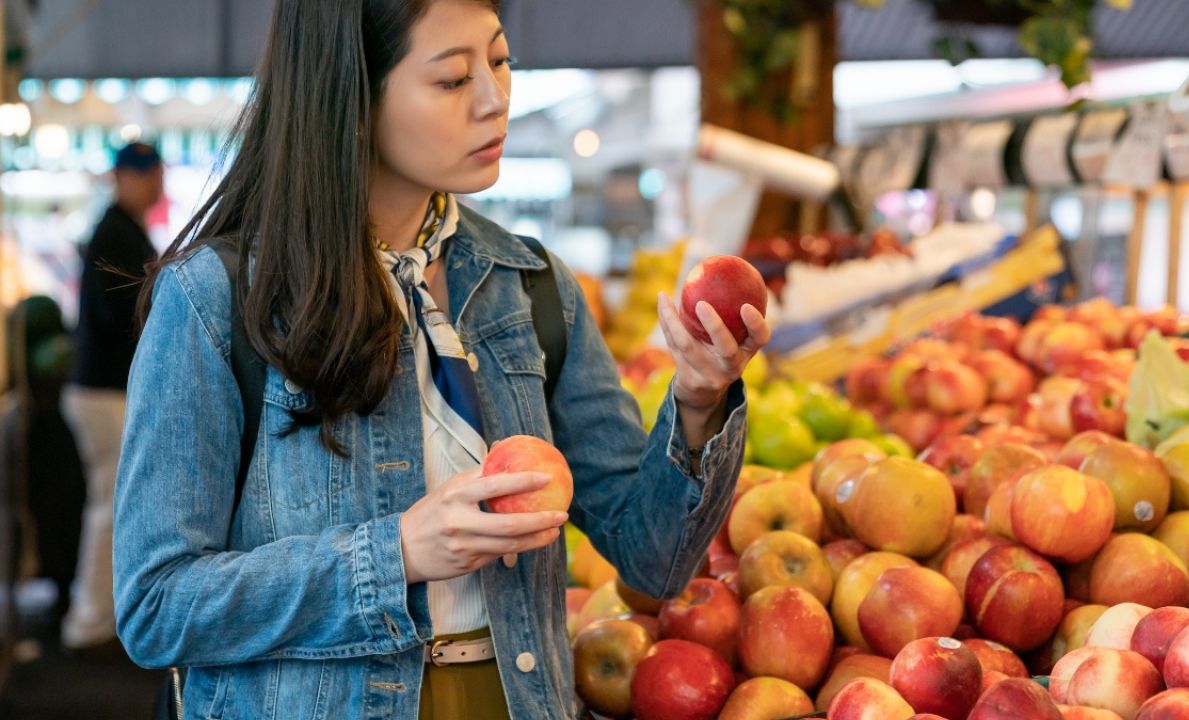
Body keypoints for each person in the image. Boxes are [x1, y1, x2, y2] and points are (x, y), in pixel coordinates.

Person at [112, 2, 767, 719]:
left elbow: (655, 561)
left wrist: (701, 401)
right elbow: (156, 606)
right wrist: (395, 553)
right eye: (454, 79)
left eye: (500, 60)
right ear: (353, 97)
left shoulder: (530, 286)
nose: (495, 99)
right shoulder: (215, 301)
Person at [62, 141, 163, 654]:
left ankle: (100, 615)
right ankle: (90, 620)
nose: (153, 182)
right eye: (142, 173)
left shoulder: (125, 230)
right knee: (110, 509)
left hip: (103, 390)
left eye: (155, 171)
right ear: (119, 177)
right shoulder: (114, 233)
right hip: (103, 392)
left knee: (111, 507)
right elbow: (116, 314)